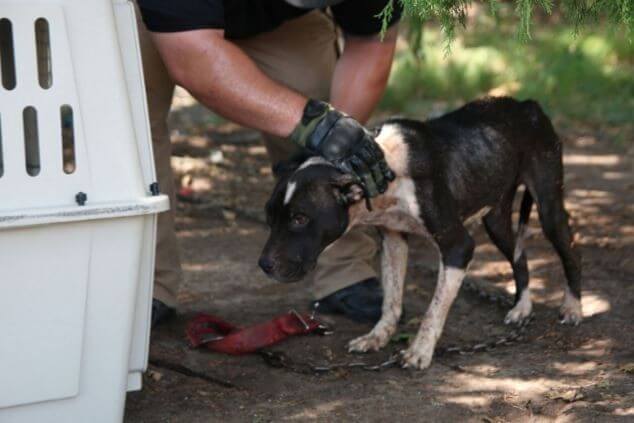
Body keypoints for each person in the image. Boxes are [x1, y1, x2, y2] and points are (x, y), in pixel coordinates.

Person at [135, 0, 403, 327]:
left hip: (276, 22)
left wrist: (332, 145)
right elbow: (194, 59)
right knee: (129, 124)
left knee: (320, 99)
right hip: (148, 18)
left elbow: (372, 41)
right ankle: (143, 284)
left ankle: (344, 271)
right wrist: (314, 125)